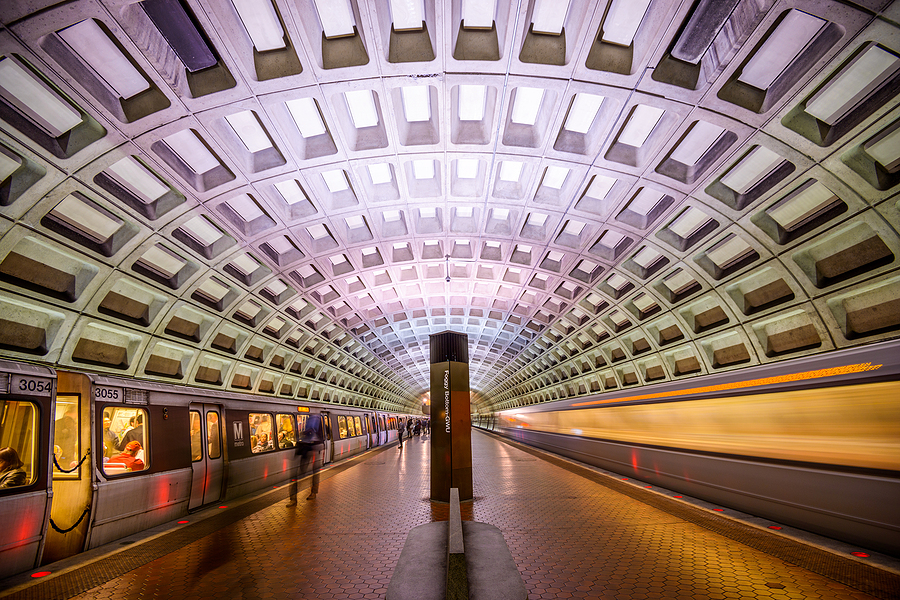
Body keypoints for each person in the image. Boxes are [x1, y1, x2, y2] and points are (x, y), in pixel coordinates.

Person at [288, 413, 324, 505]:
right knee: (299, 473)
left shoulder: (317, 419)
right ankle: (295, 497)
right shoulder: (307, 420)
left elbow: (318, 432)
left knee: (313, 472)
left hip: (314, 448)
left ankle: (310, 493)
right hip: (304, 448)